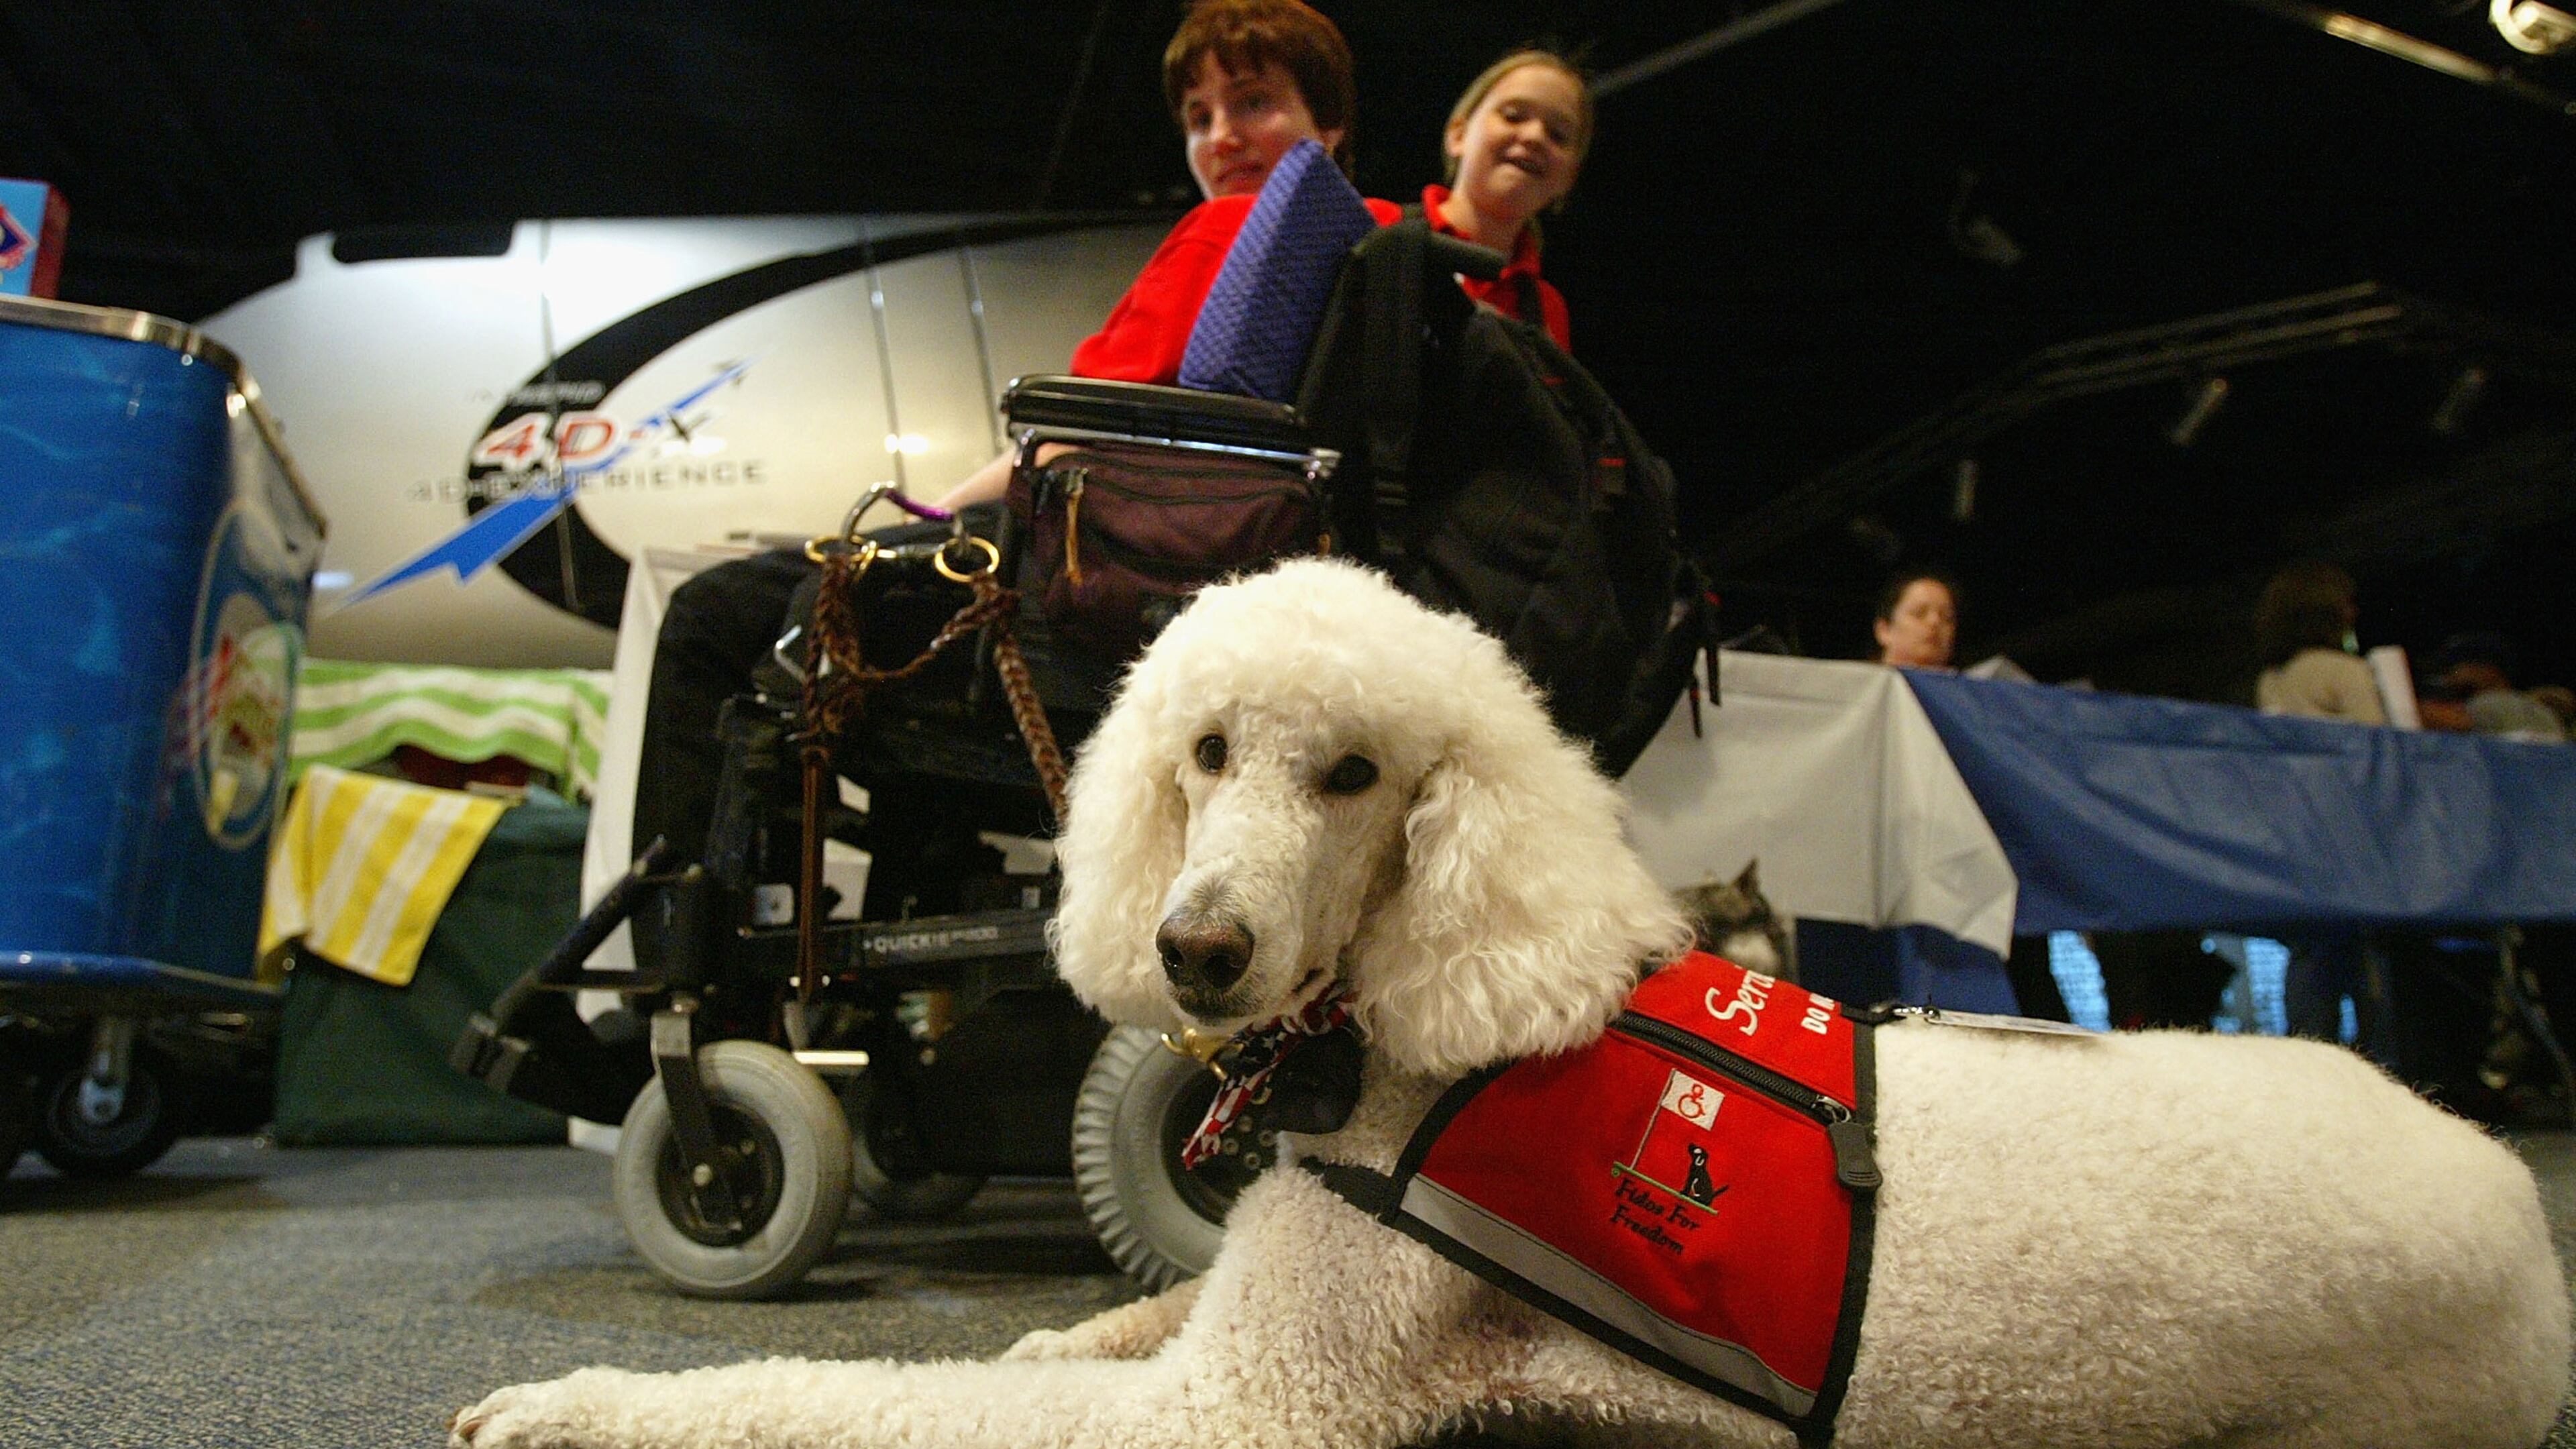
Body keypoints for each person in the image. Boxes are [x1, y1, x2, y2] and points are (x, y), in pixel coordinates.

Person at [634, 0, 1390, 906]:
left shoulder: (1231, 231)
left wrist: (928, 514)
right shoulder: (1379, 246)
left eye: (1254, 103)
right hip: (1219, 575)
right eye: (1199, 117)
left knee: (716, 611)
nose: (1221, 138)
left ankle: (691, 929)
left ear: (1328, 124)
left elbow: (1062, 432)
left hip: (1102, 583)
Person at [2249, 559, 2389, 1056]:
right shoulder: (2345, 671)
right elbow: (2380, 749)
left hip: (2299, 838)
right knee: (2371, 957)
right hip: (2357, 837)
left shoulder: (2272, 680)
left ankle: (2307, 1063)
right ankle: (2385, 1071)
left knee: (2313, 955)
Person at [1422, 50, 1591, 352]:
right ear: (1458, 135)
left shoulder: (1548, 310)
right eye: (1513, 116)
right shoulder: (1376, 222)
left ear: (1569, 178)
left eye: (1558, 135)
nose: (1535, 137)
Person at [2251, 559, 2383, 725]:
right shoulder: (2345, 670)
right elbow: (2374, 732)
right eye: (2347, 604)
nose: (2354, 613)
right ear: (2328, 613)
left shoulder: (2268, 681)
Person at [1872, 569, 1960, 669]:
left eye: (1947, 617)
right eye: (1919, 613)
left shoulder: (1969, 679)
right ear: (1884, 630)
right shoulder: (1861, 678)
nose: (1935, 622)